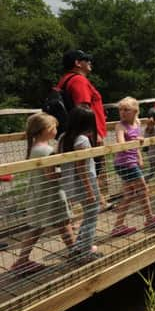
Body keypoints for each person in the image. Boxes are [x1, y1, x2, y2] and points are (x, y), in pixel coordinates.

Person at [11, 113, 75, 275]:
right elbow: (51, 175)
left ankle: (22, 261)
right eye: (55, 127)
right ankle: (76, 252)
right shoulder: (48, 150)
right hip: (51, 194)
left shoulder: (34, 148)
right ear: (47, 130)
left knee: (38, 227)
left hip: (38, 193)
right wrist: (67, 169)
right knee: (64, 221)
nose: (56, 130)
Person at [57, 50, 109, 211]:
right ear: (78, 63)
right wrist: (95, 134)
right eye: (87, 60)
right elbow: (83, 108)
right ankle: (90, 203)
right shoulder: (78, 80)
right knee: (90, 168)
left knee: (82, 168)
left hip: (74, 133)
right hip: (88, 133)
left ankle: (97, 201)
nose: (90, 62)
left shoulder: (65, 80)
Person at [111, 97, 155, 237]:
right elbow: (121, 143)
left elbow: (137, 142)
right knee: (143, 189)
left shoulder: (136, 123)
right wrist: (134, 142)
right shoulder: (120, 126)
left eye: (126, 110)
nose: (122, 113)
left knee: (129, 195)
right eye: (120, 110)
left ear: (135, 111)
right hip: (125, 164)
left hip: (132, 162)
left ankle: (118, 226)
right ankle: (149, 219)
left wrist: (139, 157)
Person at [59, 107, 102, 263]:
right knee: (92, 215)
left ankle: (78, 246)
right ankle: (86, 252)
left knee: (89, 214)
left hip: (70, 182)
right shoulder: (82, 140)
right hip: (86, 182)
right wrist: (90, 190)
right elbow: (81, 168)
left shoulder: (63, 137)